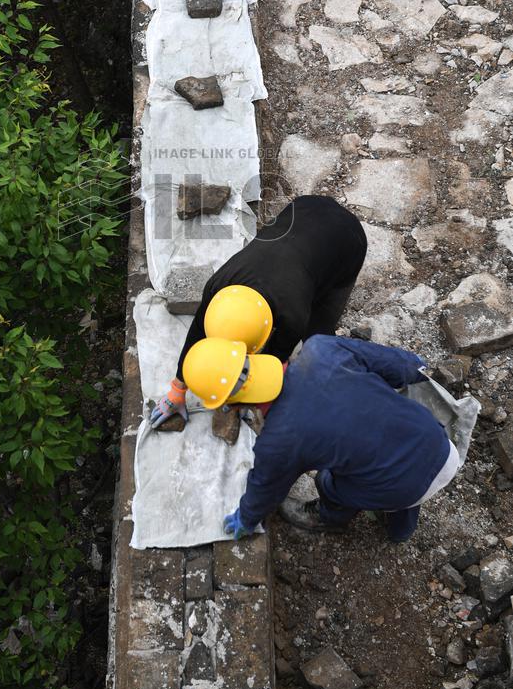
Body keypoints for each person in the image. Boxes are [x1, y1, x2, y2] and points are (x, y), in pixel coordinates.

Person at [187, 333, 458, 544]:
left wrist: (246, 518)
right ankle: (401, 530)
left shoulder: (279, 442)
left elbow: (267, 488)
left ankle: (331, 518)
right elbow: (399, 365)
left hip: (404, 486)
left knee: (328, 482)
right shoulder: (321, 349)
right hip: (437, 440)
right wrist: (415, 370)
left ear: (234, 405)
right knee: (395, 462)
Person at [149, 195, 368, 429]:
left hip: (347, 241)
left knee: (319, 338)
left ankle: (337, 392)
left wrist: (246, 396)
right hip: (305, 207)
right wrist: (177, 389)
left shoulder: (292, 317)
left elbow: (270, 363)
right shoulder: (218, 288)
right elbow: (198, 333)